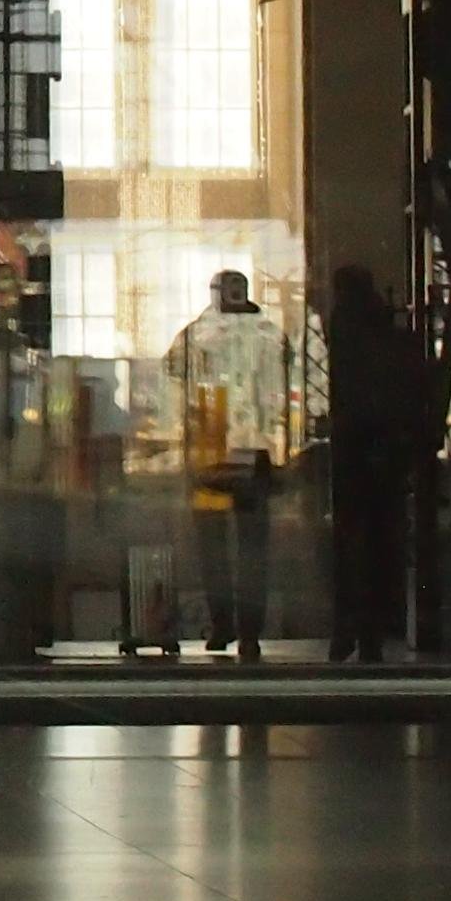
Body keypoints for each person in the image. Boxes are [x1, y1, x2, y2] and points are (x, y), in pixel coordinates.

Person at [166, 269, 289, 660]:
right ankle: (234, 626)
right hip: (230, 452)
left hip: (229, 453)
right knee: (233, 546)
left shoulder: (201, 334)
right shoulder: (263, 333)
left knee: (227, 545)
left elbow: (172, 374)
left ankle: (236, 627)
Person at [322, 264, 431, 663]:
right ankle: (371, 634)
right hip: (386, 452)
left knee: (349, 544)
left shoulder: (343, 331)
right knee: (382, 543)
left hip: (352, 450)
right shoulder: (392, 335)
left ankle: (348, 629)